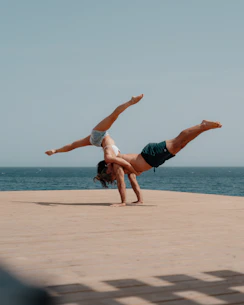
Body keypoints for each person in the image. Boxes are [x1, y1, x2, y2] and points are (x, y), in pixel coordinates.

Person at [95, 120, 222, 207]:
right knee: (181, 145)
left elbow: (121, 183)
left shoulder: (116, 164)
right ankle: (202, 129)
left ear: (107, 169)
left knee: (177, 142)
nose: (113, 177)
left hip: (150, 154)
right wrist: (140, 200)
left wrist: (123, 202)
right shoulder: (124, 168)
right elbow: (133, 181)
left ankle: (203, 125)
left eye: (110, 176)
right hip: (153, 160)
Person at [45, 94, 144, 204]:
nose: (115, 176)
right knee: (74, 145)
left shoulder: (109, 157)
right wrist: (133, 172)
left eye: (112, 176)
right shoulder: (112, 160)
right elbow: (129, 173)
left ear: (107, 168)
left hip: (98, 135)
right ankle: (55, 151)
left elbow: (126, 165)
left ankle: (131, 102)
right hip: (99, 141)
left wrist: (134, 171)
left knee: (113, 116)